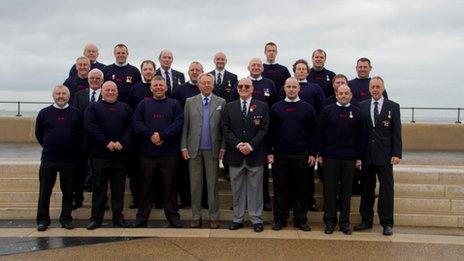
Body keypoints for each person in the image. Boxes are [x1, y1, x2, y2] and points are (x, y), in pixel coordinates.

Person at [132, 75, 184, 228]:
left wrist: (162, 135)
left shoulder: (174, 104)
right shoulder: (143, 104)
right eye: (155, 85)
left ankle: (173, 218)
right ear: (151, 88)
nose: (158, 88)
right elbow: (137, 123)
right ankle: (142, 218)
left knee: (170, 187)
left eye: (161, 85)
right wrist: (151, 135)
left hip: (169, 153)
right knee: (146, 187)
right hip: (148, 153)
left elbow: (179, 123)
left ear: (166, 87)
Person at [268, 77, 317, 232]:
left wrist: (312, 153)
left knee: (301, 189)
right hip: (280, 154)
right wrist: (270, 151)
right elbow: (270, 132)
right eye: (288, 86)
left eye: (294, 86)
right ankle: (280, 219)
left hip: (301, 154)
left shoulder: (307, 108)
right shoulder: (276, 108)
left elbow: (313, 133)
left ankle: (300, 219)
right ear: (284, 88)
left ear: (298, 89)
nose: (291, 89)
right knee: (280, 188)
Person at [354, 76, 402, 236]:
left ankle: (387, 223)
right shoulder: (362, 106)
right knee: (367, 189)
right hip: (367, 156)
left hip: (386, 155)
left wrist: (396, 153)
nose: (375, 89)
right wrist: (358, 155)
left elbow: (396, 132)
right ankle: (366, 220)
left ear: (383, 88)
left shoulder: (393, 107)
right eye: (372, 87)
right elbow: (359, 133)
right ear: (369, 89)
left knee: (386, 190)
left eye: (378, 87)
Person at [222, 77, 270, 232]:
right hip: (235, 155)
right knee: (237, 189)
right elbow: (225, 128)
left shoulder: (262, 107)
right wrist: (238, 144)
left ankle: (256, 219)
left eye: (246, 86)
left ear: (252, 89)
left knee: (256, 190)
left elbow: (264, 129)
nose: (243, 88)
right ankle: (238, 218)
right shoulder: (229, 107)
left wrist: (250, 145)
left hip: (255, 155)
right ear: (237, 89)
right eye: (240, 86)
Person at [317, 84, 365, 235]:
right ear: (336, 95)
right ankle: (330, 222)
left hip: (349, 159)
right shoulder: (327, 111)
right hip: (330, 158)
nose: (343, 96)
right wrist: (320, 154)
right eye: (341, 93)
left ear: (350, 95)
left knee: (346, 192)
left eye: (346, 93)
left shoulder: (357, 113)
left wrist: (359, 157)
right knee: (329, 191)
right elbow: (320, 134)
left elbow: (361, 137)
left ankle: (344, 223)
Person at [84, 81, 132, 230]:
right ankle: (96, 219)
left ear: (117, 92)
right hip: (100, 155)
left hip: (120, 155)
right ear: (102, 91)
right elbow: (90, 127)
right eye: (107, 90)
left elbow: (131, 127)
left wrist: (121, 142)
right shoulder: (93, 107)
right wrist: (106, 143)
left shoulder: (125, 108)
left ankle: (118, 218)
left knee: (119, 188)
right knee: (99, 188)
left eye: (113, 90)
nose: (110, 92)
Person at [230, 58, 276, 211]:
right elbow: (228, 120)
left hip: (259, 141)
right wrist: (239, 144)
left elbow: (271, 112)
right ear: (248, 67)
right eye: (253, 65)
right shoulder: (237, 92)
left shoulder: (269, 84)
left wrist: (253, 144)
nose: (256, 67)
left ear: (262, 68)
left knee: (259, 181)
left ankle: (260, 207)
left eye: (258, 65)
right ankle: (239, 210)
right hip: (238, 144)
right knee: (238, 184)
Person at [181, 73, 226, 229]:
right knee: (195, 185)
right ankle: (196, 216)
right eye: (204, 83)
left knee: (212, 185)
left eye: (209, 83)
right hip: (194, 150)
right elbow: (185, 126)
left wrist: (223, 147)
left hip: (213, 150)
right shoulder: (189, 102)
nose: (206, 85)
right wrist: (184, 146)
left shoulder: (221, 102)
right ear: (198, 85)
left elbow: (224, 128)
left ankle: (214, 216)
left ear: (213, 85)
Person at [35, 85, 82, 231]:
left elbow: (81, 134)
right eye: (58, 93)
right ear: (53, 96)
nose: (61, 96)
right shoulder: (44, 113)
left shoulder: (76, 113)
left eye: (64, 93)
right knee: (45, 191)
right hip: (49, 158)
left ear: (69, 96)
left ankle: (66, 219)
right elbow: (39, 134)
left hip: (69, 159)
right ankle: (43, 220)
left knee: (68, 191)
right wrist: (49, 146)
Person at [126, 60, 157, 209]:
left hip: (157, 137)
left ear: (154, 71)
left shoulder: (160, 88)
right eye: (145, 69)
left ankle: (157, 199)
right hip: (139, 137)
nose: (148, 72)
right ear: (141, 72)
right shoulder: (134, 89)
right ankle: (137, 199)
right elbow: (130, 112)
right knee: (136, 171)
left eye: (150, 69)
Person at [71, 68, 103, 208]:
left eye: (97, 78)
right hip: (82, 141)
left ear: (102, 81)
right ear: (88, 80)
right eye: (92, 78)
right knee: (79, 172)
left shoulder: (108, 94)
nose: (94, 80)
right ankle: (77, 198)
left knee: (99, 174)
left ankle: (102, 201)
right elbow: (74, 118)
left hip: (101, 141)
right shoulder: (79, 95)